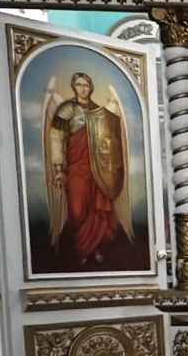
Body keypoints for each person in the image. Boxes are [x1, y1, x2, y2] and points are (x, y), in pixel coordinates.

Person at [44, 72, 132, 266]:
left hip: (97, 170)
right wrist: (58, 169)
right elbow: (56, 138)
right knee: (77, 211)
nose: (83, 88)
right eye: (79, 84)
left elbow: (110, 143)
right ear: (74, 87)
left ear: (91, 87)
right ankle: (81, 249)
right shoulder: (66, 109)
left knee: (99, 211)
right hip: (76, 167)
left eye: (86, 85)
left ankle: (96, 248)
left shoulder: (100, 112)